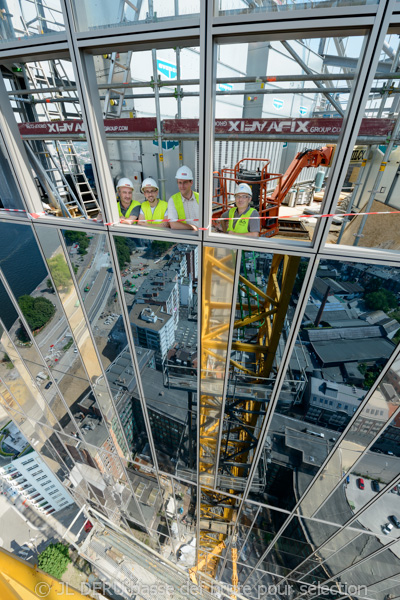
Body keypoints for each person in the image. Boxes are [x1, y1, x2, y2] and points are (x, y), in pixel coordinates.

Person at [168, 166, 199, 231]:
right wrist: (193, 227)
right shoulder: (172, 200)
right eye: (180, 183)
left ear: (191, 183)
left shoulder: (200, 197)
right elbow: (173, 225)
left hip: (201, 235)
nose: (182, 186)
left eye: (185, 182)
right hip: (184, 237)